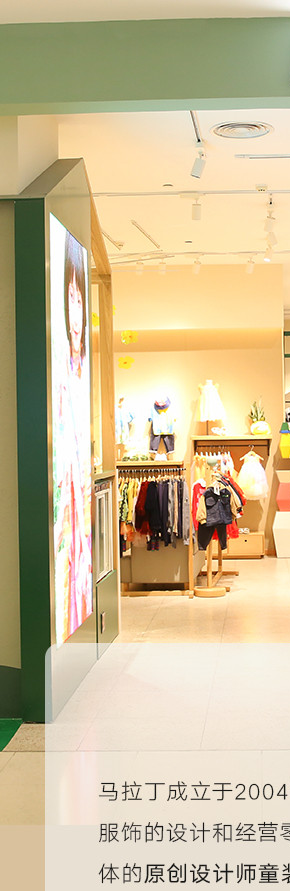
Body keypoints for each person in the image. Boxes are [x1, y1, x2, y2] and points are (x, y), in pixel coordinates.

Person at [53, 232, 93, 644]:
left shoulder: (82, 381)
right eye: (71, 298)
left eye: (81, 299)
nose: (77, 311)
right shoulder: (63, 382)